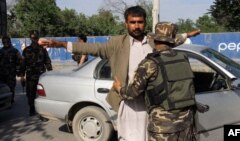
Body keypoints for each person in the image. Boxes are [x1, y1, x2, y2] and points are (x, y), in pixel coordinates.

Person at [38, 6, 199, 141]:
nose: (136, 26)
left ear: (145, 23)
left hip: (152, 104)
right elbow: (93, 49)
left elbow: (172, 39)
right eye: (132, 22)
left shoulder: (153, 40)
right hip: (128, 102)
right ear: (126, 24)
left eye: (140, 22)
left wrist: (187, 35)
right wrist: (60, 44)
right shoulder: (117, 43)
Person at [113, 22, 197, 141]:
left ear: (155, 40)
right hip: (186, 123)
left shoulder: (149, 63)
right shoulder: (183, 57)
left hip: (163, 127)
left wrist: (119, 89)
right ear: (172, 40)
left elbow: (132, 93)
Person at [19, 30, 53, 116]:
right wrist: (22, 76)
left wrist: (22, 76)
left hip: (35, 76)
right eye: (34, 38)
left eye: (34, 38)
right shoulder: (41, 50)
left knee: (31, 93)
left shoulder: (27, 50)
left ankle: (32, 109)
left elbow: (23, 65)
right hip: (39, 76)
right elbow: (48, 62)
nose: (34, 39)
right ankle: (40, 111)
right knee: (41, 94)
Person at [0, 35, 23, 104]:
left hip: (11, 74)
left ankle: (10, 101)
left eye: (7, 41)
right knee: (3, 89)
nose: (6, 43)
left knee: (11, 88)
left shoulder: (15, 51)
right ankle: (4, 102)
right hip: (2, 74)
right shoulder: (1, 51)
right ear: (2, 42)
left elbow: (20, 61)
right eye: (4, 42)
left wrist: (19, 72)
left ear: (10, 42)